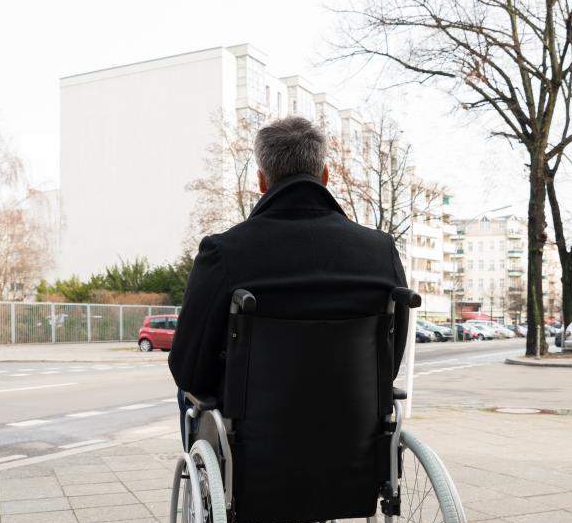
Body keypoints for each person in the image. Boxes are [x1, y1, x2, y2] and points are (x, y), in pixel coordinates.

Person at [170, 114, 410, 440]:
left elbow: (188, 367)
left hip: (254, 454)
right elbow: (388, 363)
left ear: (262, 181)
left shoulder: (224, 253)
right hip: (355, 448)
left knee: (189, 394)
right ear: (325, 175)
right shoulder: (380, 252)